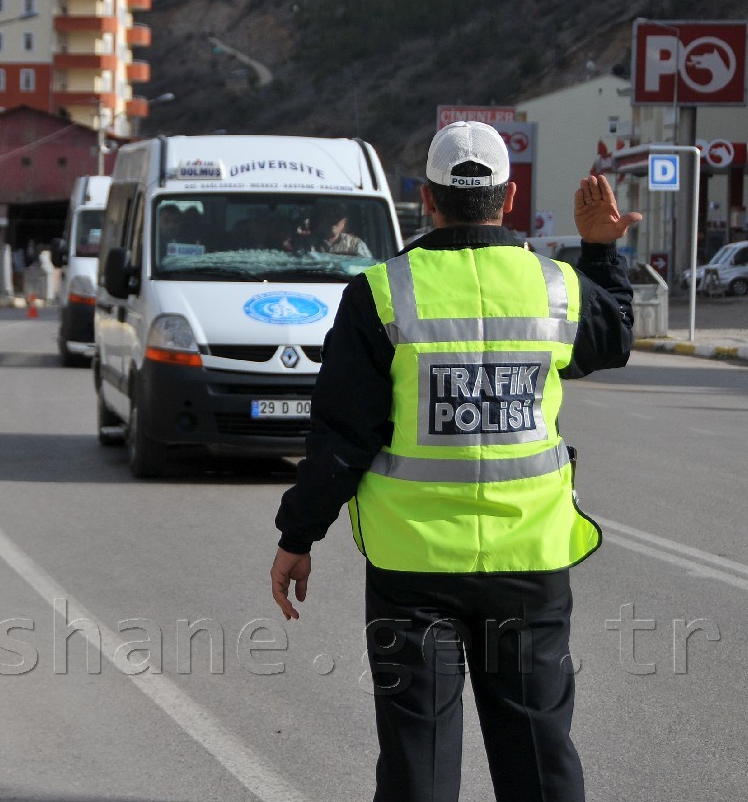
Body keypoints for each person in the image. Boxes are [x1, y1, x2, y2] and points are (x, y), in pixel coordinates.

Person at [269, 121, 640, 802]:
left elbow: (342, 437)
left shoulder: (381, 294)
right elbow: (613, 335)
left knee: (419, 762)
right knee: (538, 755)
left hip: (413, 571)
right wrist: (600, 249)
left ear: (427, 197)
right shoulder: (555, 288)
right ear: (510, 194)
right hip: (528, 563)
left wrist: (299, 535)